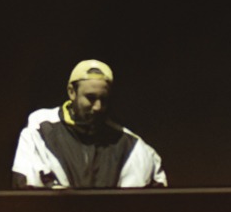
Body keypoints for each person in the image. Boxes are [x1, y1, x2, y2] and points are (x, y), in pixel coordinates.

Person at [13, 59, 168, 191]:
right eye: (91, 98)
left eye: (103, 99)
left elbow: (153, 203)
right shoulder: (41, 129)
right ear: (71, 92)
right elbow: (27, 194)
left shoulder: (132, 146)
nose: (98, 107)